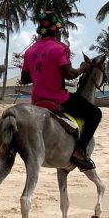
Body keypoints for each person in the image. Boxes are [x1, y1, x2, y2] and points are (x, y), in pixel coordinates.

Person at [20, 10, 102, 171]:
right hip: (58, 99)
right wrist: (82, 68)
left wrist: (41, 73)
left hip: (36, 101)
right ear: (57, 30)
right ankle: (79, 151)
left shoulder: (29, 51)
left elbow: (24, 79)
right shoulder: (60, 48)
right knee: (95, 114)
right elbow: (69, 74)